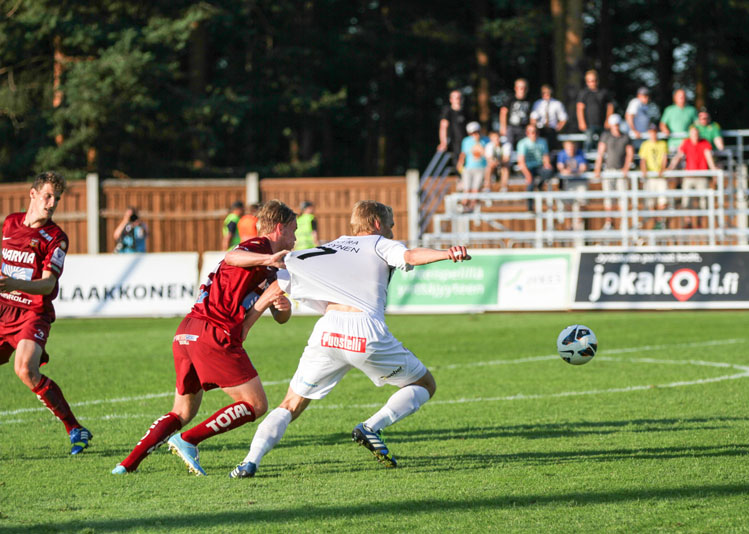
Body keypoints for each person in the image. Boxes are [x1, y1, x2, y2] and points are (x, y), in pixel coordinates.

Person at [229, 200, 471, 478]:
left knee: (290, 404)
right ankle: (371, 427)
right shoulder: (380, 243)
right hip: (364, 331)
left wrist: (250, 319)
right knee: (426, 383)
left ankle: (249, 461)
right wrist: (447, 253)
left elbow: (283, 276)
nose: (392, 230)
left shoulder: (331, 246)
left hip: (327, 332)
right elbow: (411, 256)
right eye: (390, 224)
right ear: (378, 224)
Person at [111, 200, 296, 475]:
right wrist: (268, 260)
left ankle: (126, 466)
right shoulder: (258, 248)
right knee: (256, 405)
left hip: (187, 330)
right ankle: (188, 440)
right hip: (214, 332)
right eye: (293, 231)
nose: (294, 238)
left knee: (182, 412)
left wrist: (283, 307)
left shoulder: (270, 268)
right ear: (279, 228)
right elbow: (232, 256)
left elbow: (280, 316)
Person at [0, 171, 92, 455]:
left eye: (57, 199)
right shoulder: (10, 223)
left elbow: (49, 283)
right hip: (3, 311)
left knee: (25, 369)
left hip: (32, 313)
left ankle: (74, 428)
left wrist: (15, 283)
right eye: (48, 196)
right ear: (33, 194)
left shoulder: (56, 238)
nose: (52, 204)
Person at [667, 125, 717, 228]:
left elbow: (708, 157)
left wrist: (713, 169)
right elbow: (678, 156)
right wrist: (670, 168)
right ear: (690, 134)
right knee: (686, 200)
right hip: (689, 176)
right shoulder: (686, 142)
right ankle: (688, 221)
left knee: (703, 200)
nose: (695, 135)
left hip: (702, 175)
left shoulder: (704, 143)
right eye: (693, 133)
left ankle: (701, 221)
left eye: (696, 133)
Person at [593, 114, 634, 230]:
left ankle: (624, 222)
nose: (615, 127)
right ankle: (609, 222)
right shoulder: (606, 136)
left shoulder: (625, 137)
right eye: (614, 125)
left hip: (620, 172)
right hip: (609, 171)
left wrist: (626, 168)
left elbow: (630, 154)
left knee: (623, 197)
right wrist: (597, 168)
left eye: (617, 125)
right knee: (608, 197)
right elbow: (600, 153)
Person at [638, 124, 670, 229]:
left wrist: (662, 169)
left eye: (654, 132)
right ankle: (655, 222)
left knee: (663, 200)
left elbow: (664, 158)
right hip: (650, 177)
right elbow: (643, 160)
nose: (653, 134)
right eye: (651, 132)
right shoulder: (645, 145)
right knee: (650, 202)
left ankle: (659, 221)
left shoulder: (662, 144)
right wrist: (644, 171)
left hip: (660, 177)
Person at [517, 124, 554, 211]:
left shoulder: (542, 141)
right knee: (530, 184)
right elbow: (521, 162)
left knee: (549, 171)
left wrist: (547, 164)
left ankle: (540, 184)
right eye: (531, 132)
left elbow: (545, 157)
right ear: (527, 133)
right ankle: (530, 207)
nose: (534, 134)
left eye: (535, 132)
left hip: (538, 166)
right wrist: (527, 175)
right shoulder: (522, 143)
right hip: (528, 167)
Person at [576, 70, 613, 153]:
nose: (592, 83)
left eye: (594, 80)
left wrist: (608, 120)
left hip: (602, 124)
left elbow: (610, 107)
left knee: (603, 144)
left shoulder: (604, 92)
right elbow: (579, 108)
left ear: (597, 80)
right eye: (589, 81)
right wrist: (581, 122)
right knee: (588, 143)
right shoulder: (583, 93)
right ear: (586, 82)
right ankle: (586, 163)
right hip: (589, 124)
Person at [457, 121, 487, 212]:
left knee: (475, 188)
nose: (475, 134)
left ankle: (472, 206)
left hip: (481, 168)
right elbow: (463, 154)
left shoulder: (485, 140)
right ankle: (464, 204)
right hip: (468, 168)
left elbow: (486, 154)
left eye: (476, 132)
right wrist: (460, 163)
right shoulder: (466, 141)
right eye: (473, 132)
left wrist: (478, 143)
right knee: (467, 188)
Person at [531, 84, 568, 151]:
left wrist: (557, 128)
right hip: (540, 129)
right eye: (544, 92)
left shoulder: (557, 103)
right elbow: (533, 118)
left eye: (548, 92)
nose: (546, 94)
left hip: (552, 130)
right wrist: (534, 129)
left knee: (551, 148)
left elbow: (563, 119)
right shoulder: (538, 103)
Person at [499, 78, 533, 149]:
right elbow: (503, 113)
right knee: (508, 147)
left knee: (523, 147)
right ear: (515, 88)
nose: (522, 90)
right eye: (520, 87)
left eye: (524, 88)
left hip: (524, 128)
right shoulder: (510, 99)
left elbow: (531, 116)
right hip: (511, 128)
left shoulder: (530, 100)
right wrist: (503, 127)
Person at [438, 90, 467, 162]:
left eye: (459, 97)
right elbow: (443, 127)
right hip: (454, 142)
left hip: (465, 142)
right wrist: (443, 142)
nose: (458, 100)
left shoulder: (465, 112)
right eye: (455, 98)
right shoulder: (448, 111)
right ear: (451, 100)